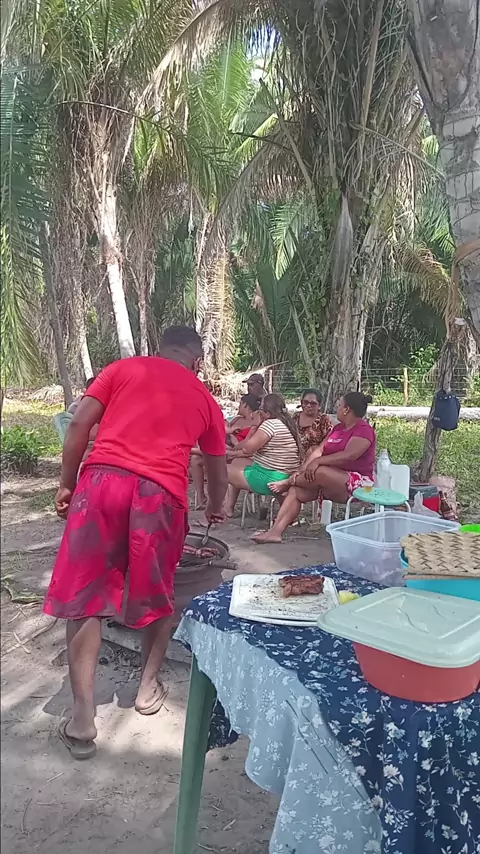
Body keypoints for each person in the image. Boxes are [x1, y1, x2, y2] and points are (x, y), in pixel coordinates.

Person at [44, 326, 227, 759]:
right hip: (159, 496)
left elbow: (79, 425)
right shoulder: (205, 399)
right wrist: (215, 506)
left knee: (85, 598)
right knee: (158, 594)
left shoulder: (122, 369)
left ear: (159, 350)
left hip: (101, 484)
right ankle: (146, 690)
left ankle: (83, 719)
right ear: (197, 361)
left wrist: (67, 483)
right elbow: (217, 468)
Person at [252, 391, 375, 543]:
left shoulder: (364, 429)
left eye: (339, 405)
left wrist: (319, 462)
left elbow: (349, 455)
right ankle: (275, 532)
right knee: (296, 491)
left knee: (320, 471)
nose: (337, 408)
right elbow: (319, 451)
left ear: (347, 409)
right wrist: (302, 469)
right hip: (329, 480)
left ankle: (287, 481)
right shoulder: (338, 429)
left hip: (358, 483)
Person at [225, 393, 302, 517]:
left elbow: (247, 449)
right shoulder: (286, 422)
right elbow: (245, 450)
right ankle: (228, 507)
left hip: (271, 479)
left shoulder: (269, 424)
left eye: (260, 408)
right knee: (237, 462)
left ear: (266, 412)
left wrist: (255, 425)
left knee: (221, 470)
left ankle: (217, 511)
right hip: (285, 475)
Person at [190, 394, 260, 509]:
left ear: (245, 405)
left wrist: (234, 441)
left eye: (240, 404)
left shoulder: (255, 422)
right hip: (226, 448)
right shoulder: (237, 419)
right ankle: (201, 498)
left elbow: (248, 444)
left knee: (216, 454)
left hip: (239, 453)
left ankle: (192, 450)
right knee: (196, 459)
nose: (238, 406)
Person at [294, 389, 332, 456]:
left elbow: (329, 441)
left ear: (319, 405)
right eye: (305, 402)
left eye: (313, 403)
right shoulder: (296, 416)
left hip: (314, 457)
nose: (308, 405)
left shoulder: (323, 420)